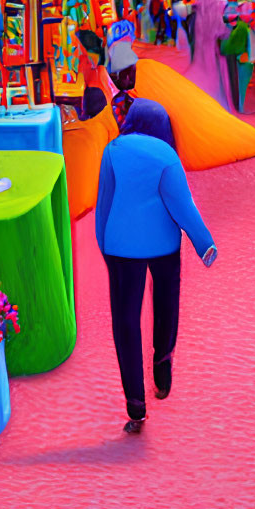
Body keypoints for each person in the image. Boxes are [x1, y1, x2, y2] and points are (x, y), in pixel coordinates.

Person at [94, 99, 217, 435]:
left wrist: (104, 244)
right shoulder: (167, 156)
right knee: (166, 305)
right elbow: (182, 204)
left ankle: (136, 404)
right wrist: (203, 242)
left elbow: (103, 202)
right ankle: (162, 362)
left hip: (121, 246)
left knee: (126, 322)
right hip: (164, 244)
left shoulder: (113, 150)